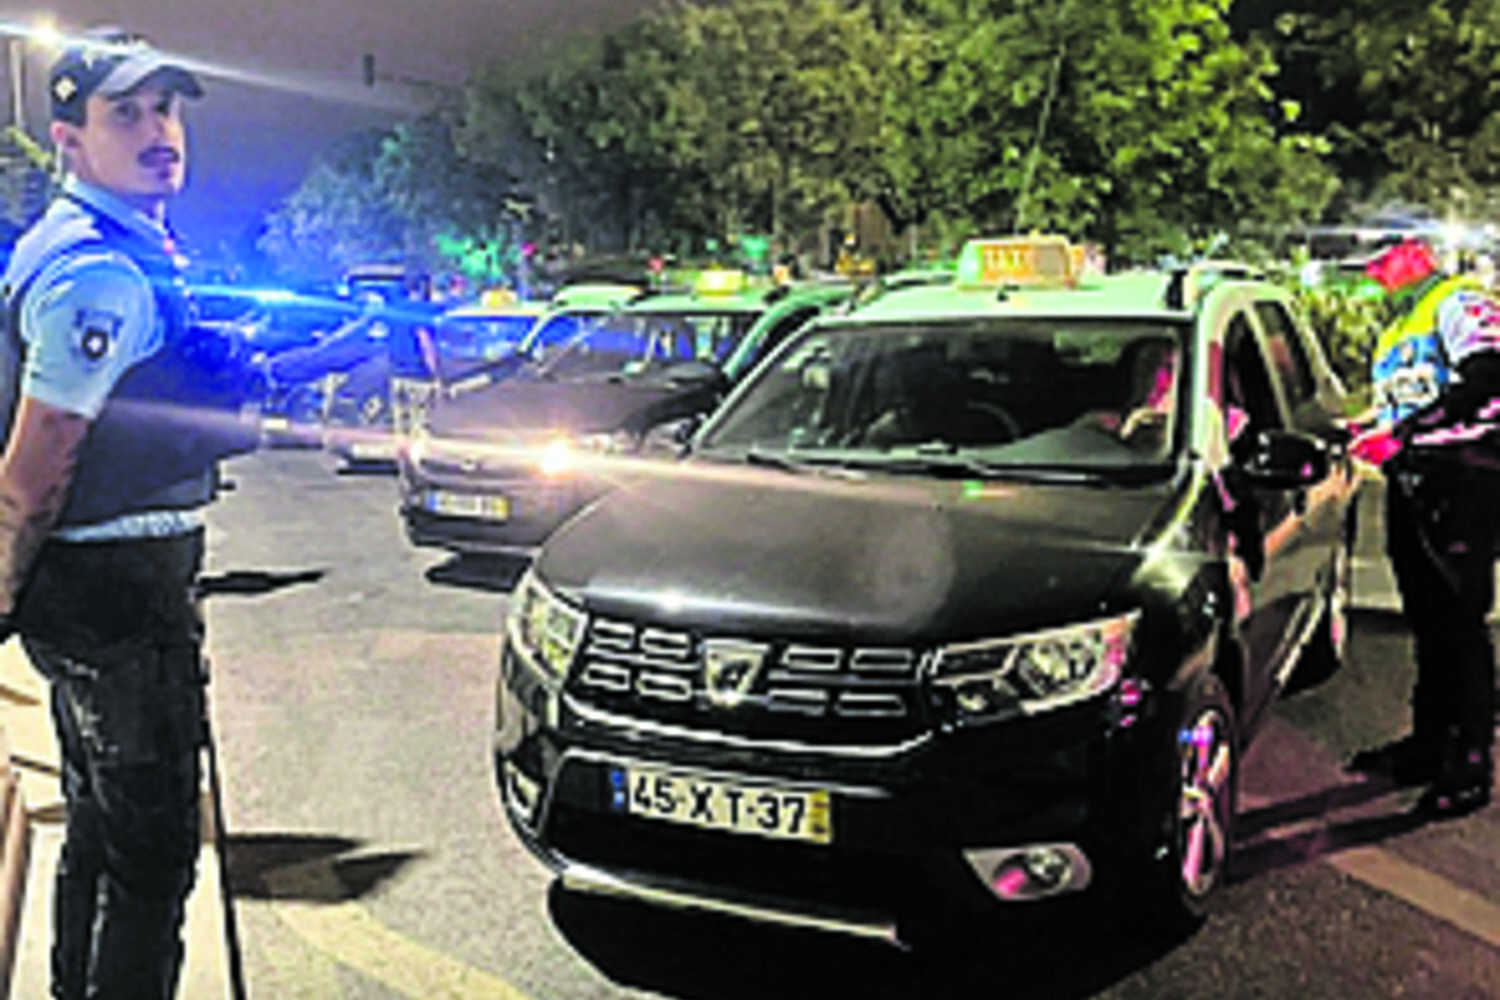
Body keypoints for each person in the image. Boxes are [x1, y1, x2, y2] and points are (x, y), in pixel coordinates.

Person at [0, 28, 260, 998]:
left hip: (93, 597)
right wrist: (2, 591)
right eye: (126, 114)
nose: (159, 132)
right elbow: (36, 469)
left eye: (167, 108)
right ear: (68, 138)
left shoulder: (93, 244)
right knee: (152, 865)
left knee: (101, 836)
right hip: (117, 601)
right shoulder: (98, 273)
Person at [1346, 237, 1500, 818]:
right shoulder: (1400, 324)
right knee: (1428, 619)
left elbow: (1487, 377)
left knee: (1459, 623)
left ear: (1416, 252)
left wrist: (1404, 433)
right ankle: (1429, 742)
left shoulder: (1458, 302)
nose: (1373, 273)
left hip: (1462, 474)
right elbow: (1411, 396)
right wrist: (1371, 423)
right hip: (1412, 477)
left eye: (1382, 259)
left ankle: (1470, 762)